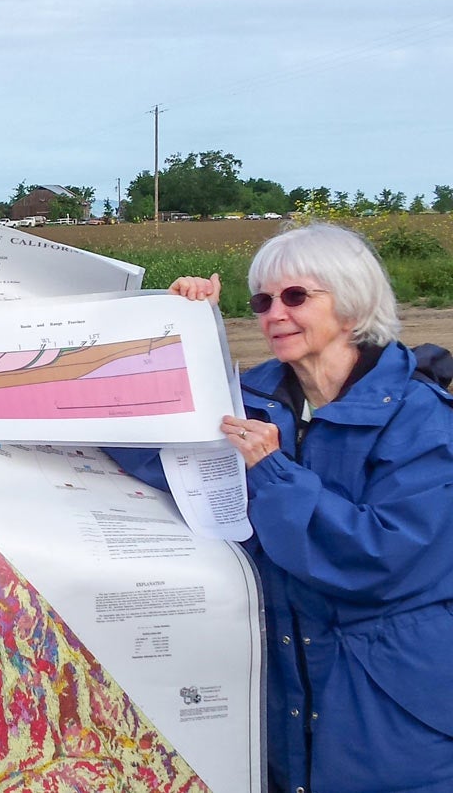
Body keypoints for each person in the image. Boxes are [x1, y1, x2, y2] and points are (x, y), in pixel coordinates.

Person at [112, 222, 453, 793]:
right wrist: (178, 335)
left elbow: (385, 556)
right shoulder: (250, 400)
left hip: (392, 704)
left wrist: (272, 474)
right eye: (262, 300)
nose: (274, 314)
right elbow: (154, 452)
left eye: (296, 296)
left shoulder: (421, 417)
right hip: (285, 688)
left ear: (351, 304)